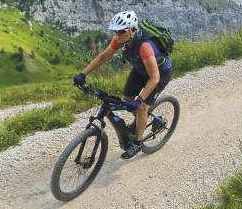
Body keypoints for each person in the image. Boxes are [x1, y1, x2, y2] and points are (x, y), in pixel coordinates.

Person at [73, 11, 172, 159]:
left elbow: (154, 77)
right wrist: (83, 74)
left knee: (141, 106)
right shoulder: (119, 40)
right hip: (140, 69)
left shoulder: (144, 46)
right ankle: (140, 120)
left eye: (121, 32)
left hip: (159, 74)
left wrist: (140, 99)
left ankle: (138, 143)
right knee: (126, 99)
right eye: (115, 32)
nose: (117, 35)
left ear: (132, 30)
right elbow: (103, 56)